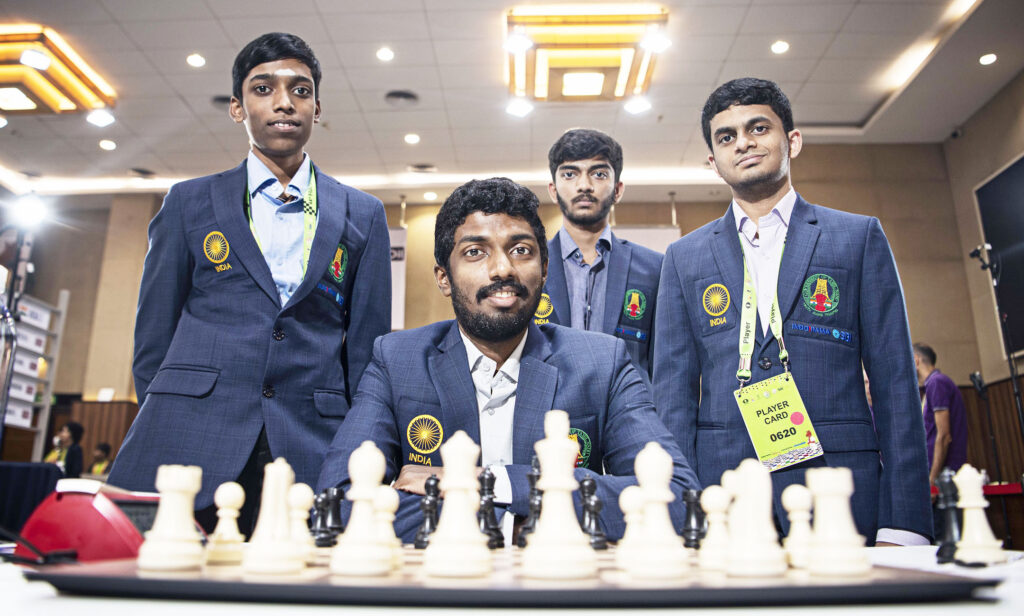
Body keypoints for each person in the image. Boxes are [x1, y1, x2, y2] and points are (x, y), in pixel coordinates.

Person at [108, 32, 392, 535]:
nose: (284, 102)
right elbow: (152, 338)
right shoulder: (188, 202)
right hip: (190, 435)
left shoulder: (363, 213)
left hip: (311, 439)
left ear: (317, 108)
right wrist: (174, 412)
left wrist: (356, 441)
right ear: (238, 108)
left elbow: (365, 350)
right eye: (264, 89)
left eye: (300, 91)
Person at [317, 177, 699, 543]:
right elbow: (339, 504)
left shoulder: (601, 361)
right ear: (444, 277)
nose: (502, 269)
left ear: (545, 270)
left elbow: (677, 497)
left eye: (521, 250)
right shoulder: (397, 360)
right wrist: (529, 511)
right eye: (474, 252)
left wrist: (487, 482)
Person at [653, 78, 932, 545]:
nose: (743, 142)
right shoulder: (684, 257)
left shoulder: (857, 237)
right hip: (724, 492)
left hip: (839, 487)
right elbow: (673, 395)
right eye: (726, 137)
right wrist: (682, 516)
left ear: (792, 141)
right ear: (713, 162)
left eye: (758, 127)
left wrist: (903, 523)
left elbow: (895, 381)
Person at [537, 129, 662, 375]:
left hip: (629, 409)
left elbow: (664, 363)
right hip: (548, 409)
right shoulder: (528, 267)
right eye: (570, 174)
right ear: (553, 190)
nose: (584, 185)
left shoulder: (655, 268)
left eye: (599, 174)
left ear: (618, 189)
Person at [914, 343, 968, 483]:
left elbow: (944, 435)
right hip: (938, 473)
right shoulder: (931, 385)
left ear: (915, 360)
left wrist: (932, 479)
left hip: (944, 475)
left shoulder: (937, 382)